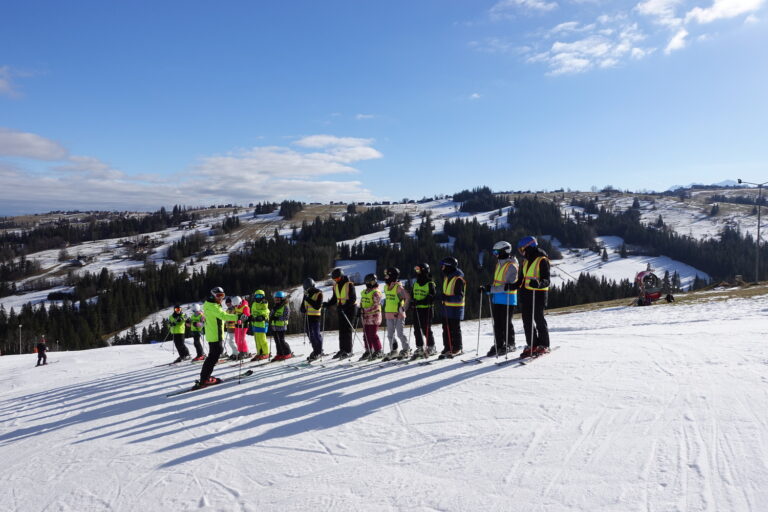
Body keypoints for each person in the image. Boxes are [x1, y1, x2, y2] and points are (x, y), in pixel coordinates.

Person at [512, 236, 551, 357]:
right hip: (526, 294)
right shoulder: (525, 261)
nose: (521, 251)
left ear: (530, 246)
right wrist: (513, 286)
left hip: (538, 294)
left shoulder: (542, 260)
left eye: (522, 249)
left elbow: (547, 280)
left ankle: (544, 344)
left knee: (538, 319)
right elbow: (522, 279)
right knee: (527, 321)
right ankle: (532, 344)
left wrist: (539, 284)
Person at [481, 241, 519, 356]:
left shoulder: (512, 266)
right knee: (497, 323)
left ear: (504, 251)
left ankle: (510, 344)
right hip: (497, 298)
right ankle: (498, 344)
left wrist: (491, 289)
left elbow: (507, 286)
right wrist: (488, 289)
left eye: (496, 251)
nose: (494, 254)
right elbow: (497, 282)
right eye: (494, 252)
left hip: (508, 298)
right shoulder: (499, 264)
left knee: (506, 323)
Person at [197, 287, 240, 387]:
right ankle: (205, 378)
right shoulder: (213, 306)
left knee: (213, 356)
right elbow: (224, 316)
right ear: (213, 295)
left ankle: (205, 377)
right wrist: (238, 317)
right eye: (219, 296)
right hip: (215, 335)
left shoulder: (211, 304)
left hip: (214, 334)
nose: (221, 298)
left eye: (222, 296)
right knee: (213, 357)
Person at [324, 267, 357, 359]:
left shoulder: (349, 284)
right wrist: (328, 304)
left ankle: (348, 350)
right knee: (342, 330)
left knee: (347, 330)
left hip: (350, 309)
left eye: (337, 278)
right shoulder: (335, 286)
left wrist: (345, 306)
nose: (336, 280)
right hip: (341, 309)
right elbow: (335, 298)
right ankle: (342, 349)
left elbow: (353, 299)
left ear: (341, 276)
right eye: (334, 279)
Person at [382, 267, 412, 360]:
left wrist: (403, 308)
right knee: (390, 335)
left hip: (398, 315)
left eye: (387, 275)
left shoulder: (398, 288)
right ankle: (394, 350)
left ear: (392, 276)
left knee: (400, 334)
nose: (386, 277)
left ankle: (406, 349)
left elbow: (407, 297)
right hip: (389, 314)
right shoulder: (385, 287)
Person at [439, 256, 465, 358]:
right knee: (445, 328)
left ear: (449, 266)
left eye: (443, 266)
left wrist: (446, 298)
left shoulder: (458, 278)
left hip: (455, 308)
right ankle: (447, 347)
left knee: (455, 328)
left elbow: (459, 296)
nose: (442, 268)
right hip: (446, 308)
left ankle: (457, 347)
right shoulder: (447, 277)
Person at [410, 262, 437, 359]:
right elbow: (412, 295)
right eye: (416, 270)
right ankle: (420, 347)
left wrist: (421, 301)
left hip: (427, 309)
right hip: (417, 309)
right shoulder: (416, 283)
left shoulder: (430, 284)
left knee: (426, 329)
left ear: (424, 270)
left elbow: (432, 296)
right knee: (417, 329)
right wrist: (412, 302)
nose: (417, 272)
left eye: (419, 270)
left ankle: (431, 347)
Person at [358, 273, 384, 360]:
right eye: (366, 282)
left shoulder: (376, 292)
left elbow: (376, 305)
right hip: (366, 317)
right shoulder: (364, 292)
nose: (367, 283)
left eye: (369, 282)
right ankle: (368, 350)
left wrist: (364, 310)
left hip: (374, 316)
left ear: (373, 282)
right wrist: (360, 308)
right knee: (366, 335)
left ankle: (378, 350)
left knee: (372, 334)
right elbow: (362, 302)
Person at [300, 278, 325, 361]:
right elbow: (302, 306)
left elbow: (317, 306)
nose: (307, 289)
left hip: (315, 316)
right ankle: (316, 350)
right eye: (306, 288)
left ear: (312, 286)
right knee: (310, 334)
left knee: (316, 334)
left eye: (308, 288)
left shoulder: (319, 293)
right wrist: (303, 309)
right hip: (308, 317)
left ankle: (319, 351)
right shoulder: (306, 294)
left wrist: (308, 299)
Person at [270, 291, 294, 361]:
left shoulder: (285, 306)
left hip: (281, 326)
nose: (276, 301)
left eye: (278, 299)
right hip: (274, 326)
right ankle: (279, 354)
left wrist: (277, 318)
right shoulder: (275, 306)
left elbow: (286, 317)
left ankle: (287, 353)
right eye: (275, 299)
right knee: (277, 341)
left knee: (281, 341)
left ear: (282, 299)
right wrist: (271, 318)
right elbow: (271, 315)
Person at [250, 290, 271, 360]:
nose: (259, 298)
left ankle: (266, 353)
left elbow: (266, 312)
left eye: (260, 296)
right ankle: (259, 353)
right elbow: (253, 312)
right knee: (257, 339)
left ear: (263, 297)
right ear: (255, 297)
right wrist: (251, 317)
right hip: (255, 323)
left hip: (262, 324)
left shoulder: (264, 304)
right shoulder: (254, 304)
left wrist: (262, 317)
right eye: (257, 296)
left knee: (262, 339)